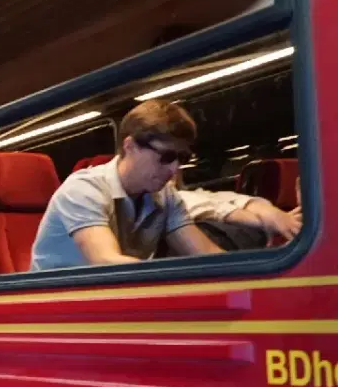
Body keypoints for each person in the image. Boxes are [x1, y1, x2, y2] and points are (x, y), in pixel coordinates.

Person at [29, 99, 224, 271]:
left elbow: (205, 252)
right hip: (52, 302)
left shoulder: (166, 196)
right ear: (129, 146)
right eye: (166, 157)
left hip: (108, 297)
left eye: (182, 158)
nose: (175, 169)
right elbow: (105, 261)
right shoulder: (83, 189)